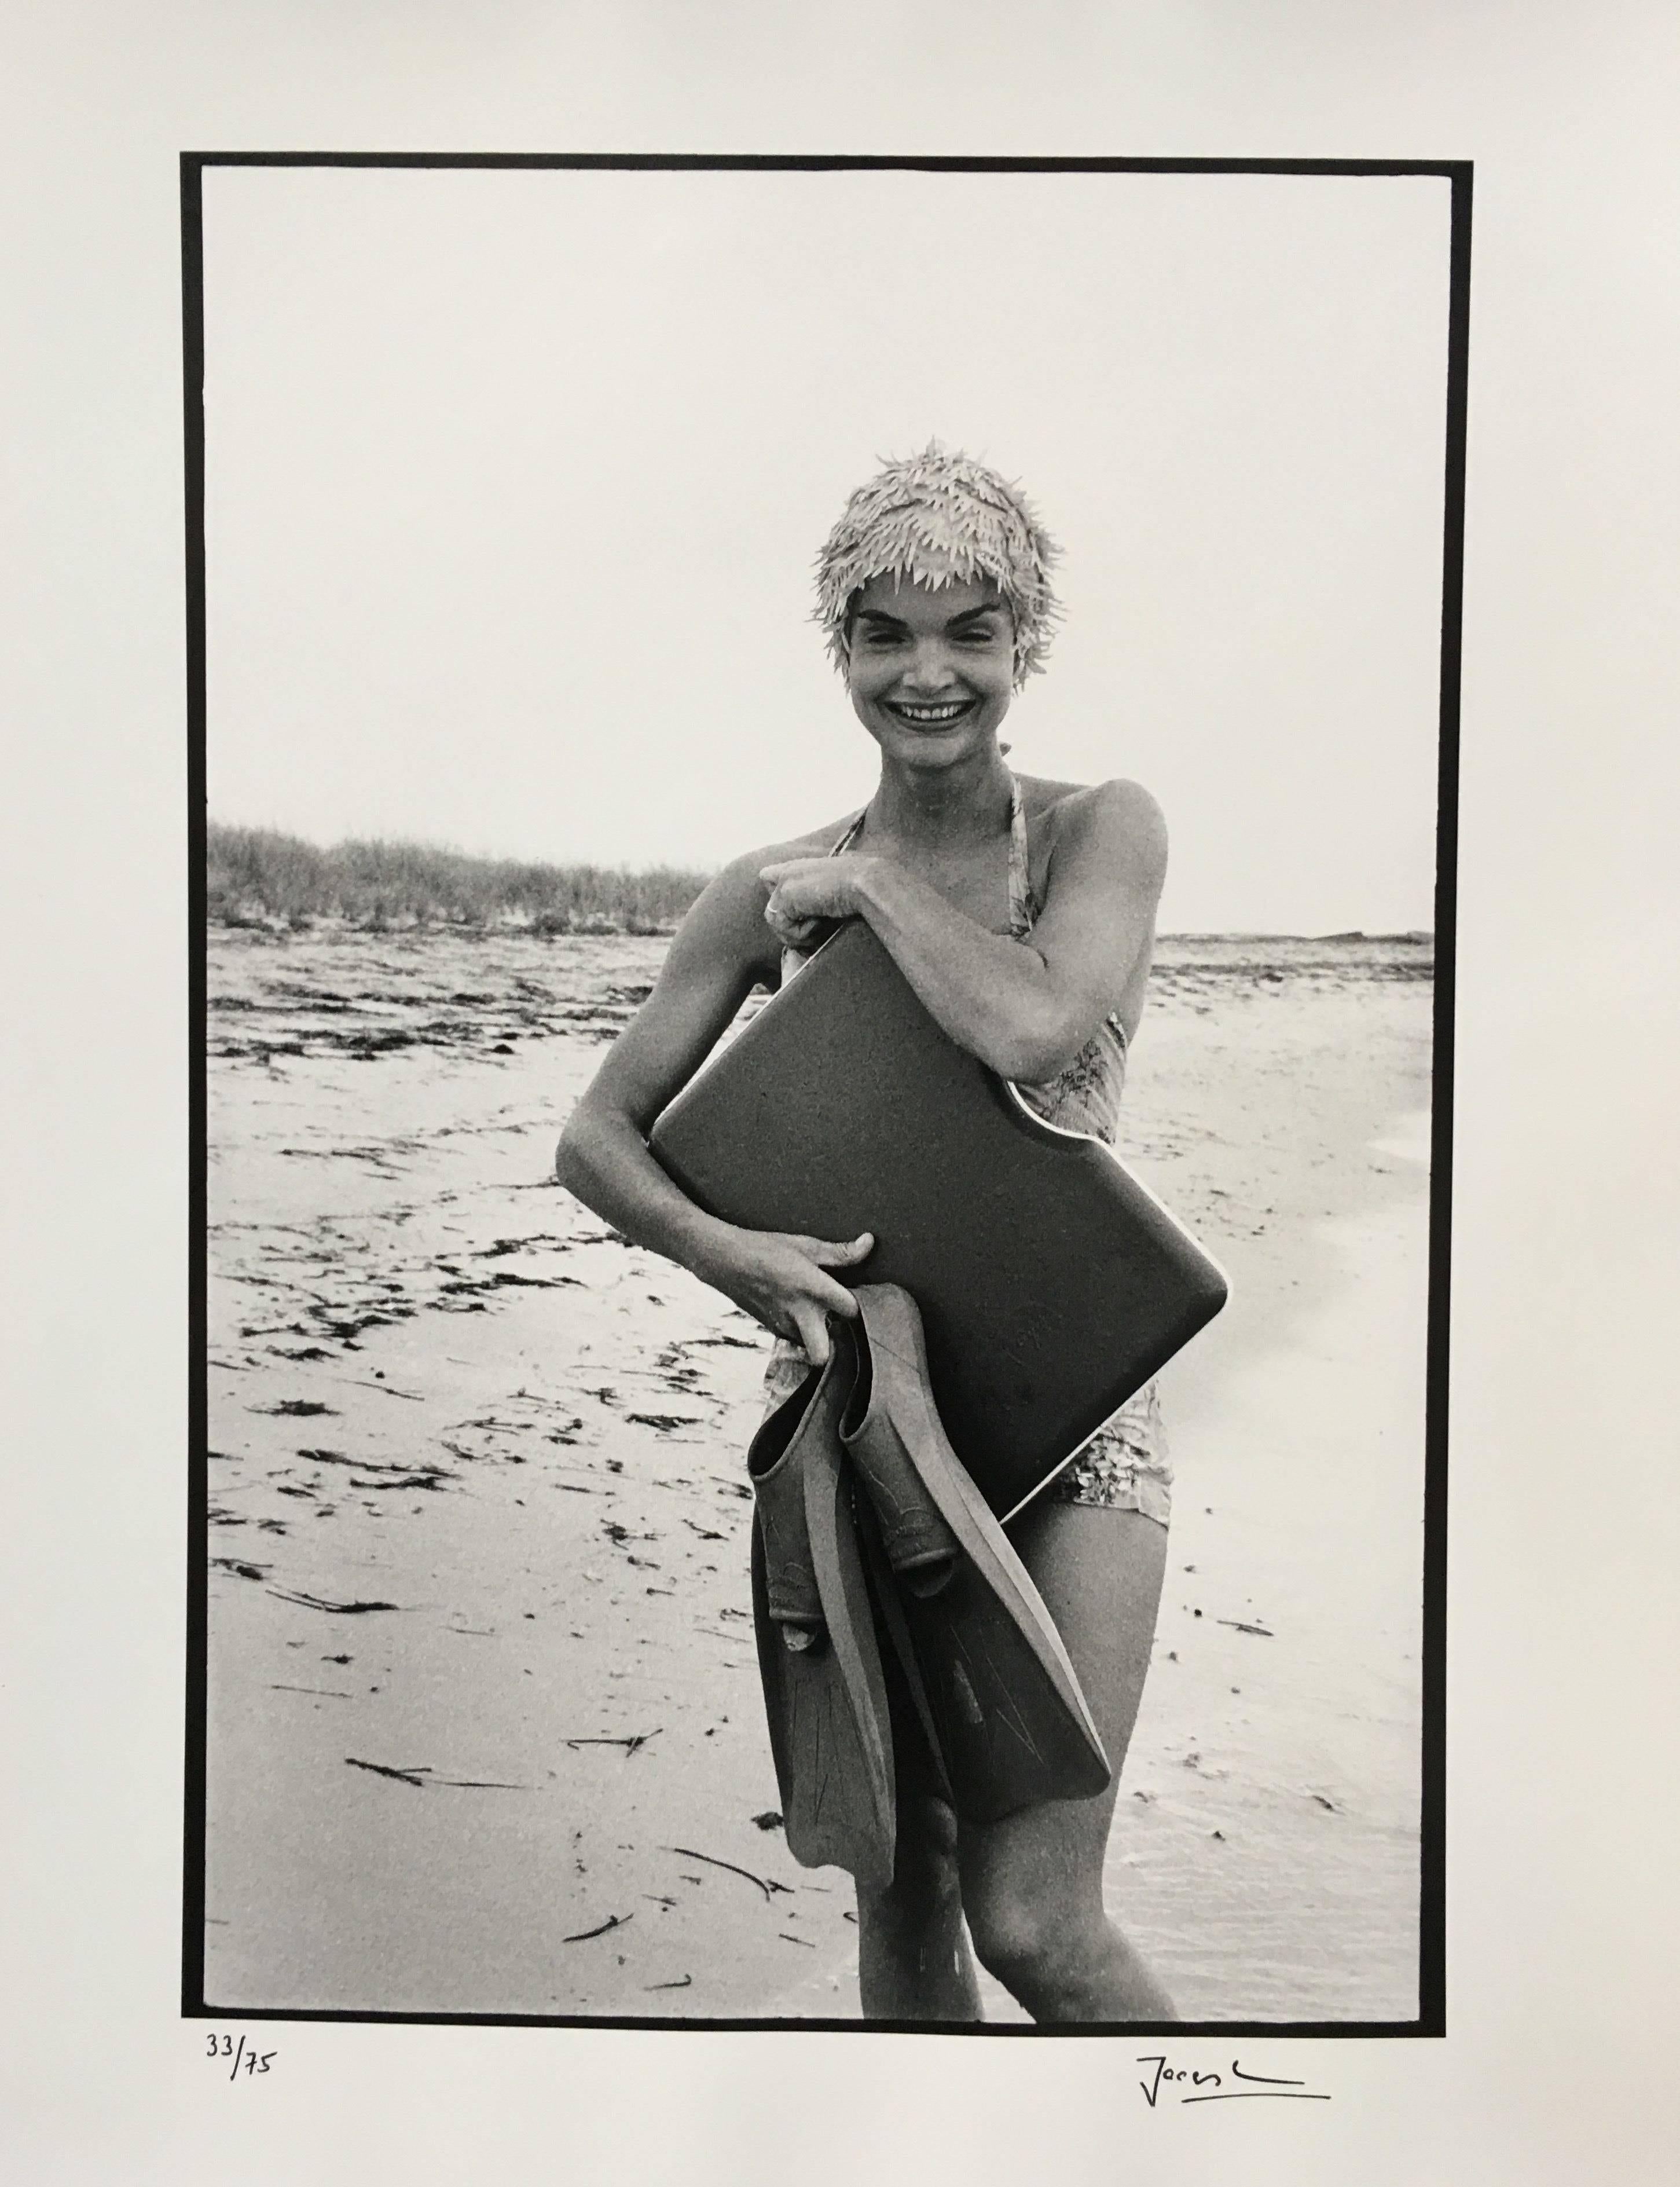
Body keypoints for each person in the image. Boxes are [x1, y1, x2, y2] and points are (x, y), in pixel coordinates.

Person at [555, 445, 1177, 2022]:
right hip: (865, 1423)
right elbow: (595, 1137)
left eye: (971, 630)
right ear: (839, 646)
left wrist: (875, 893)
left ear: (1024, 643)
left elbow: (1037, 1028)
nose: (929, 671)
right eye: (885, 633)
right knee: (902, 1907)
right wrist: (733, 1253)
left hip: (1078, 1411)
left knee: (1035, 1920)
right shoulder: (761, 889)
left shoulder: (1103, 827)